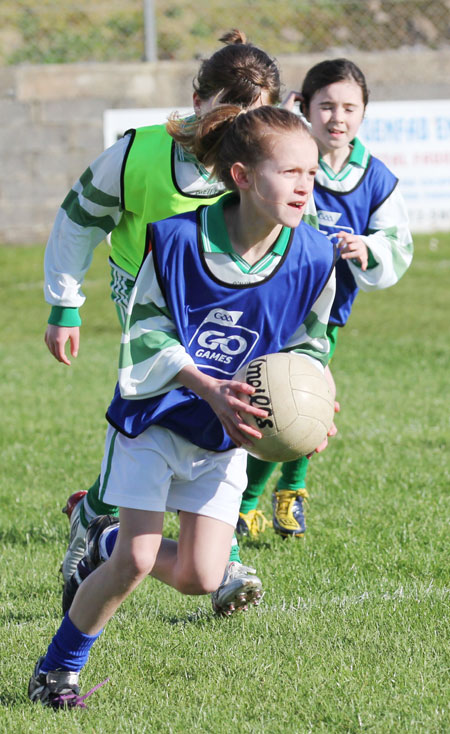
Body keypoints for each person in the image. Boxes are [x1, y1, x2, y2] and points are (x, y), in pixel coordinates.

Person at [29, 104, 336, 708]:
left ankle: (104, 535)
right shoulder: (174, 241)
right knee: (135, 562)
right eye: (290, 171)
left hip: (225, 436)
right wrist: (209, 389)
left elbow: (309, 343)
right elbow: (145, 333)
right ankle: (56, 672)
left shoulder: (314, 257)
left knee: (200, 576)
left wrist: (312, 411)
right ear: (243, 176)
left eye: (312, 173)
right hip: (157, 419)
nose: (305, 185)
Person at [44, 30, 304, 613]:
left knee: (225, 408)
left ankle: (134, 530)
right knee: (171, 412)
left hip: (234, 310)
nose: (241, 128)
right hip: (152, 307)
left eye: (256, 117)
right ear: (197, 99)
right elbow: (76, 219)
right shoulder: (140, 155)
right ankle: (144, 537)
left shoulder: (267, 168)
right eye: (230, 113)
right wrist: (65, 303)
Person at [237, 58, 413, 539]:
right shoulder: (285, 161)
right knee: (266, 401)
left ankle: (273, 499)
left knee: (295, 403)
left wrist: (368, 246)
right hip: (271, 302)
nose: (338, 117)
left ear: (363, 113)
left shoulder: (374, 177)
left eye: (349, 108)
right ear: (305, 107)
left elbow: (398, 243)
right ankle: (250, 500)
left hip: (325, 316)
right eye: (327, 106)